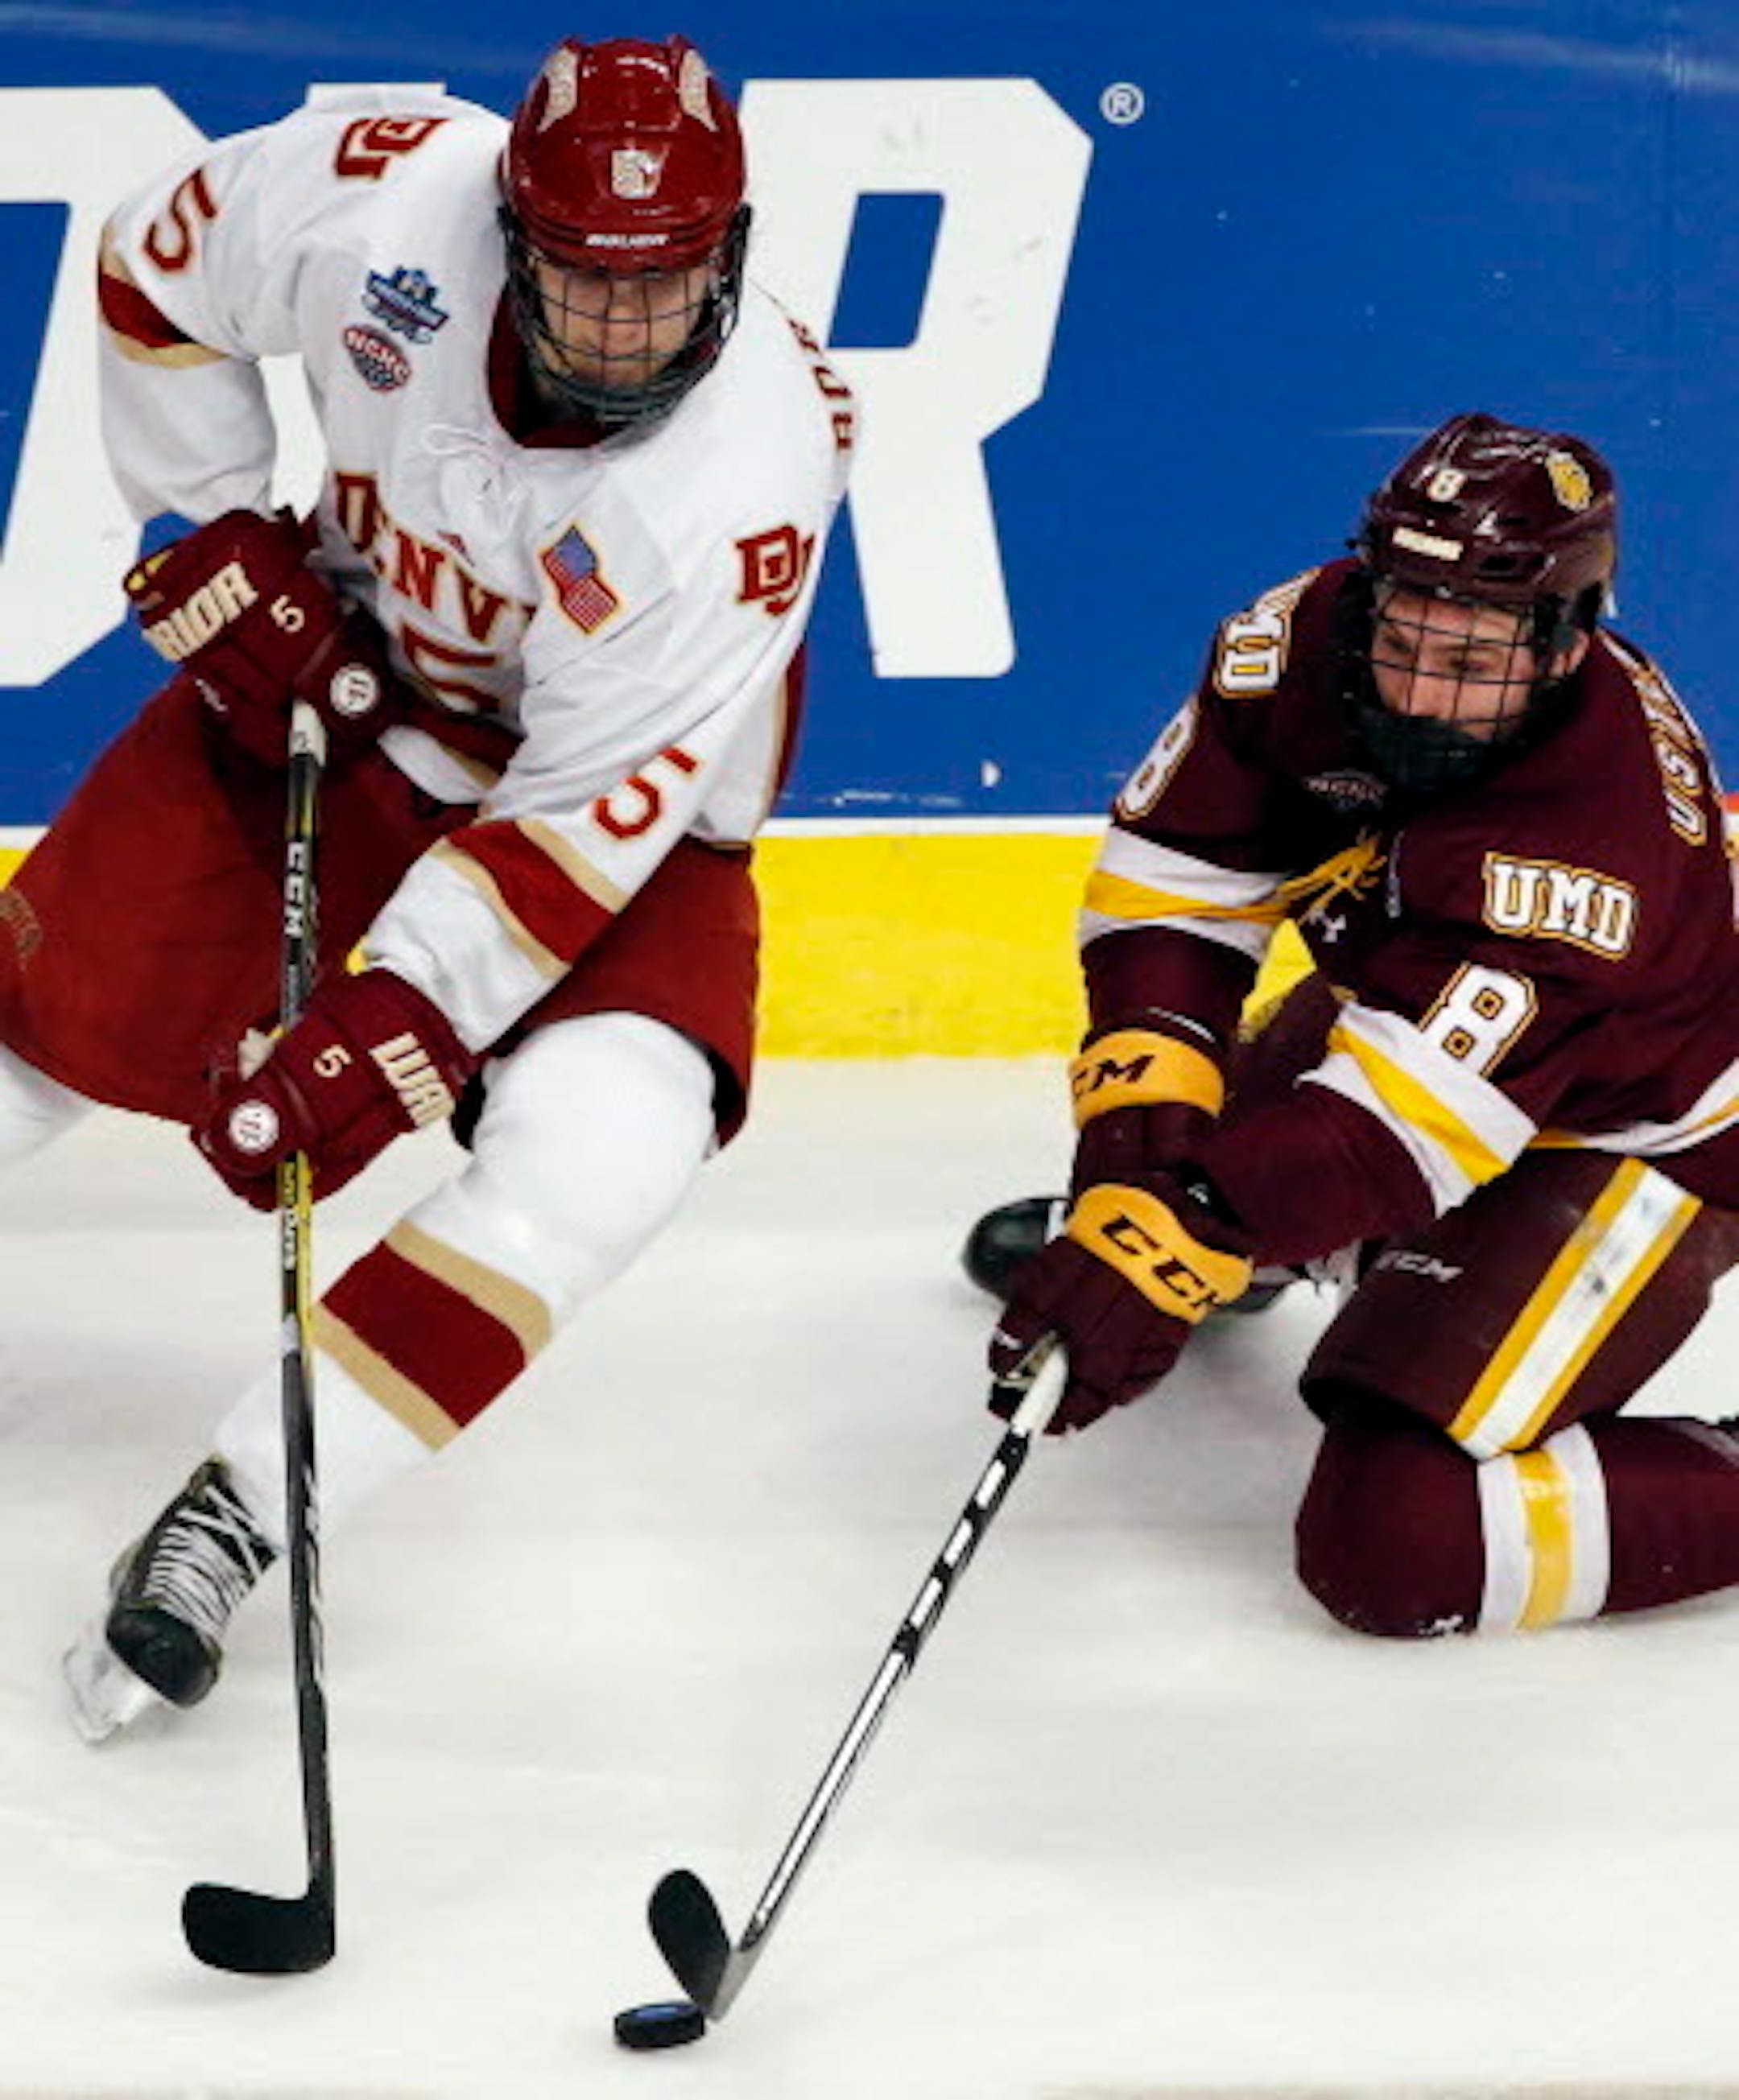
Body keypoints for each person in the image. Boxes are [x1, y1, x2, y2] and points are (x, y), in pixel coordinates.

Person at [0, 35, 854, 1736]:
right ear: (510, 230)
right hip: (324, 681)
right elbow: (149, 260)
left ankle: (248, 1509)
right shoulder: (385, 199)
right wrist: (203, 530)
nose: (624, 328)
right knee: (25, 1034)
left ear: (735, 259)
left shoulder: (753, 469)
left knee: (605, 1159)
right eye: (582, 281)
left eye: (669, 285)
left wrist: (383, 1023)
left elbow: (570, 828)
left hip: (617, 823)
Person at [977, 412, 1739, 1637]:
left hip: (1627, 1133)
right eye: (1409, 635)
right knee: (1171, 1151)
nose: (1427, 693)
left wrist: (1184, 1228)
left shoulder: (1588, 853)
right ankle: (1237, 1241)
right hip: (1407, 1023)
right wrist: (1137, 1143)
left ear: (1564, 638)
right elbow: (1177, 873)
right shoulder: (1303, 637)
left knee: (1398, 1543)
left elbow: (1392, 1136)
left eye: (1475, 655)